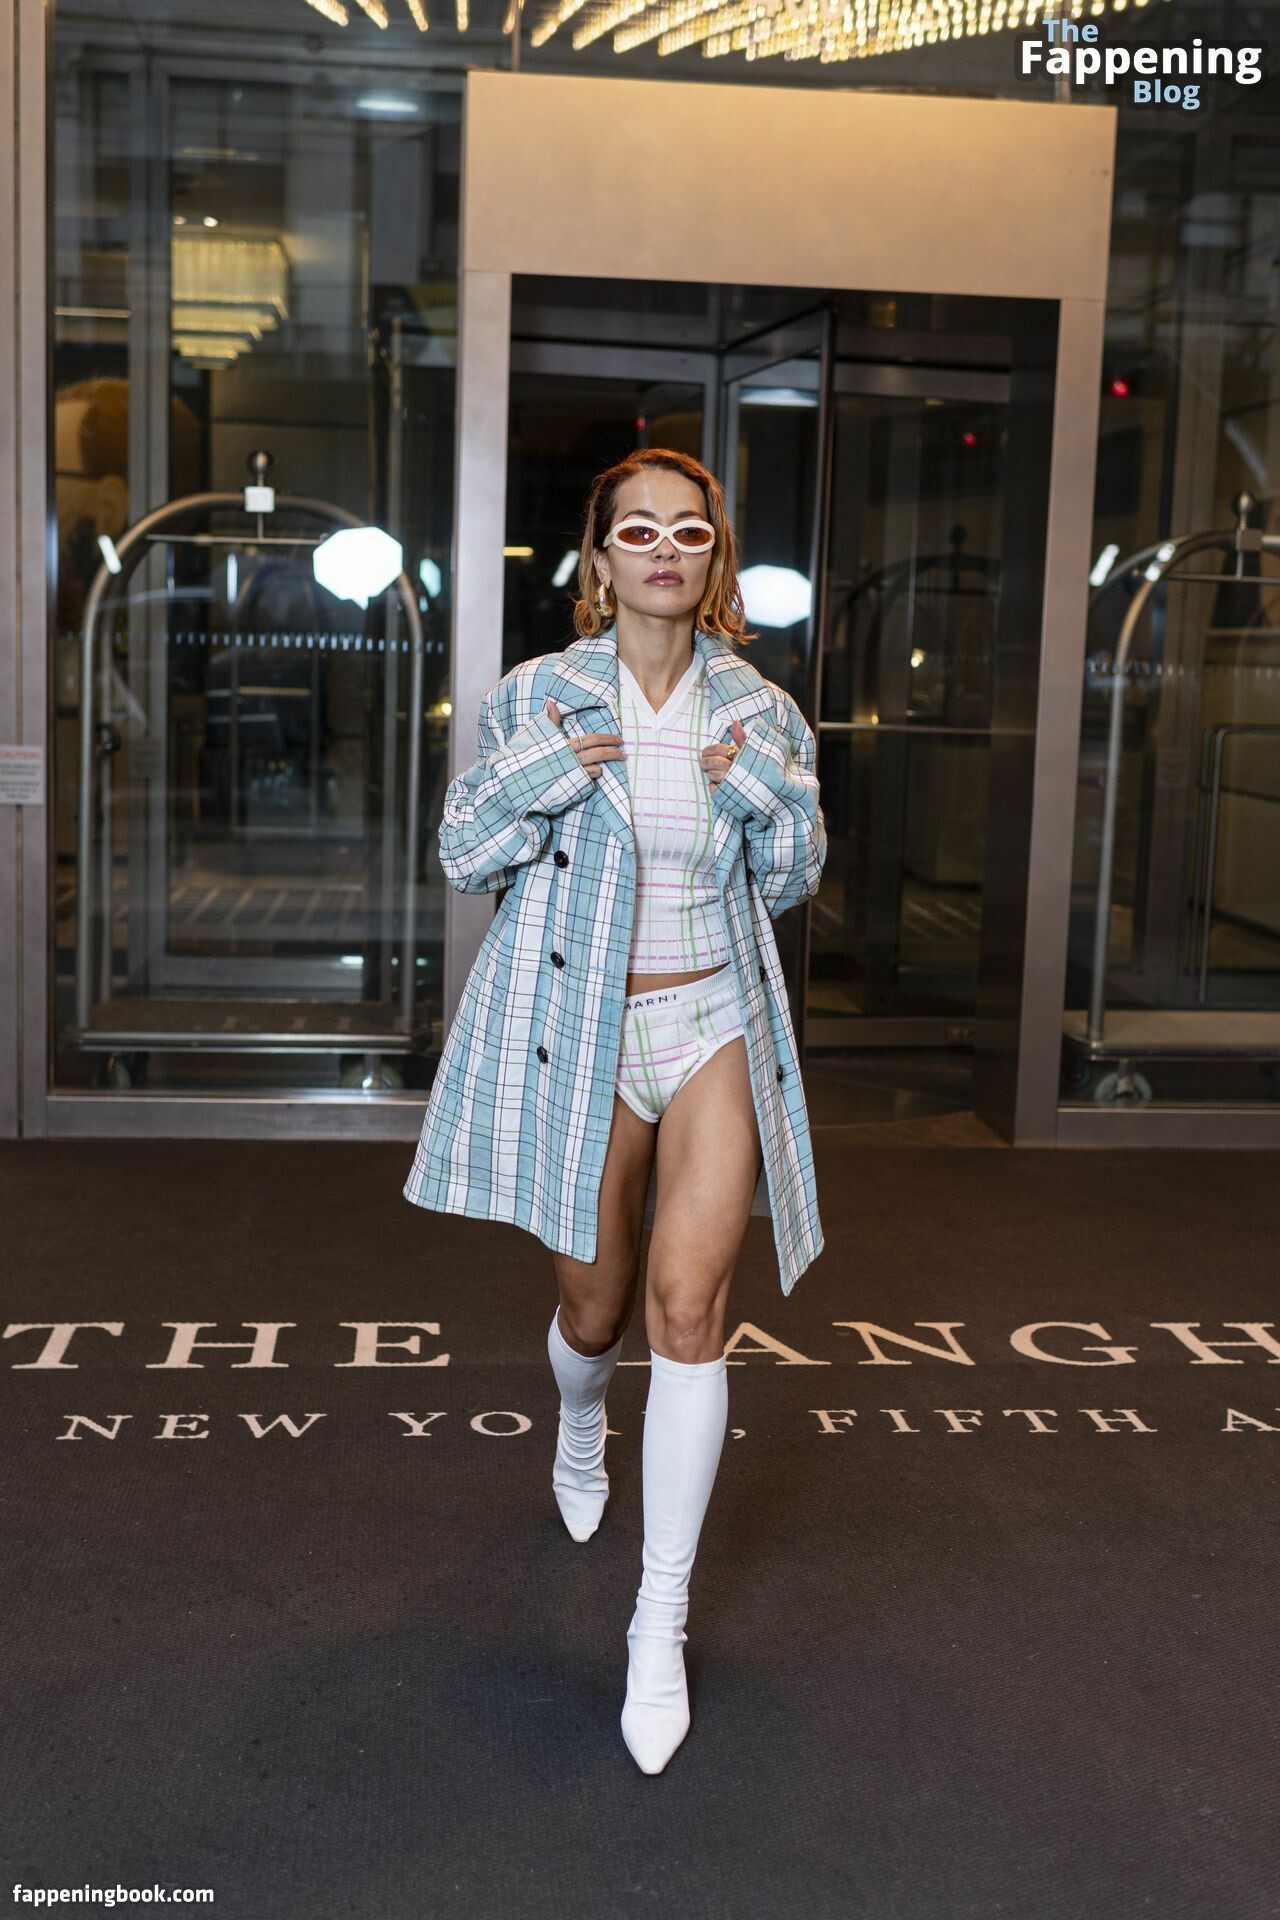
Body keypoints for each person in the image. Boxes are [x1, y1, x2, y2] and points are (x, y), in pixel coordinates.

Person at [404, 447, 826, 1773]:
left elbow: (795, 877)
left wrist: (760, 788)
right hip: (579, 1028)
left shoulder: (761, 707)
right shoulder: (537, 696)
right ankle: (580, 1416)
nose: (663, 552)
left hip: (712, 1020)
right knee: (594, 1312)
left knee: (690, 1311)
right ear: (598, 561)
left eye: (688, 532)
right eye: (636, 532)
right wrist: (547, 769)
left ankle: (659, 1621)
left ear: (715, 560)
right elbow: (465, 855)